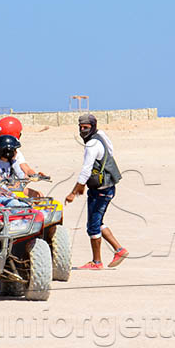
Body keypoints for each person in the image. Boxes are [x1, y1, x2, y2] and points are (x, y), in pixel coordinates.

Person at [64, 113, 128, 269]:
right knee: (97, 222)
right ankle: (118, 250)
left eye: (85, 127)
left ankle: (97, 262)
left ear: (92, 127)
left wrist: (74, 191)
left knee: (92, 226)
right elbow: (110, 151)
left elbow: (86, 170)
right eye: (80, 128)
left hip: (100, 190)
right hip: (108, 187)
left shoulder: (92, 144)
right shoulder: (101, 135)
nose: (82, 131)